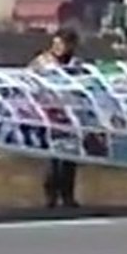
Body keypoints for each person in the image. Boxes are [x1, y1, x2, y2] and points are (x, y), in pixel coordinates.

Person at [30, 28, 82, 208]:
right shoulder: (42, 63)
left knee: (70, 158)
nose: (59, 48)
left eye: (63, 44)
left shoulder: (77, 65)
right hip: (49, 114)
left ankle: (68, 195)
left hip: (70, 115)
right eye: (57, 44)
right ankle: (50, 196)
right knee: (53, 158)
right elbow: (29, 82)